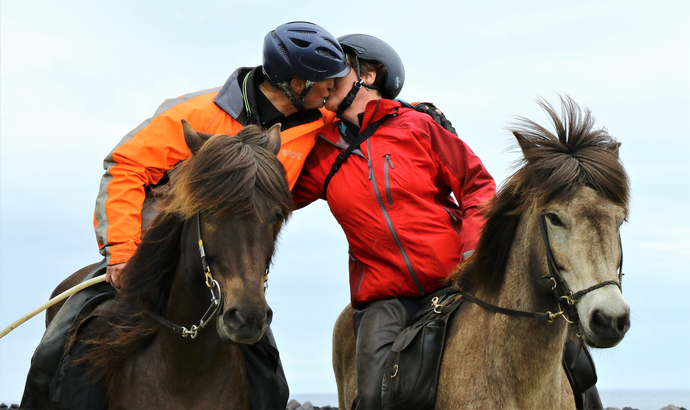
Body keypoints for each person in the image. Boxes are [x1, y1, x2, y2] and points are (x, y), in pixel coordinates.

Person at [21, 21, 351, 410]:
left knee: (269, 376)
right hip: (155, 244)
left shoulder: (319, 126)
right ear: (296, 83)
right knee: (58, 343)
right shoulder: (198, 112)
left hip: (236, 257)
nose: (334, 89)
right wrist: (123, 252)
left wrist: (413, 111)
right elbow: (124, 166)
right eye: (327, 81)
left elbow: (373, 120)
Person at [291, 34, 496, 410]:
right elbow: (274, 196)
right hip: (386, 298)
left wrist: (473, 252)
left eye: (338, 66)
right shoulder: (321, 152)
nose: (324, 78)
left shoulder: (417, 125)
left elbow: (476, 186)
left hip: (456, 278)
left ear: (367, 75)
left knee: (559, 344)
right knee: (373, 397)